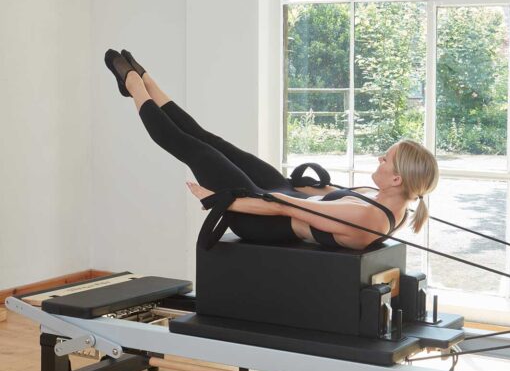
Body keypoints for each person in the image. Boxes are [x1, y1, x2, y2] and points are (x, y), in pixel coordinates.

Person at [104, 49, 439, 250]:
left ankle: (133, 84)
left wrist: (224, 199)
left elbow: (285, 210)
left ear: (397, 179)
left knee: (192, 148)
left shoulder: (372, 217)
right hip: (282, 193)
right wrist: (303, 185)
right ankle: (148, 83)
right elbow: (315, 193)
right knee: (212, 141)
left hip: (265, 221)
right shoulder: (380, 198)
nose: (380, 158)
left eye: (387, 158)